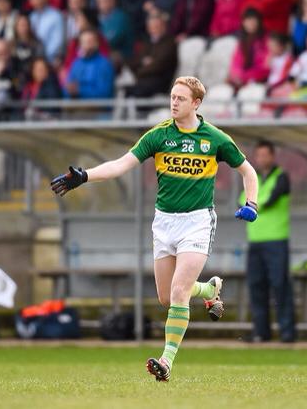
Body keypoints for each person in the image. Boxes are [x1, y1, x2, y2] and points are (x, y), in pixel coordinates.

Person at [51, 76, 259, 382]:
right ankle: (208, 289)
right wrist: (85, 176)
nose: (174, 102)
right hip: (164, 223)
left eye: (180, 98)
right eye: (172, 96)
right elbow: (120, 165)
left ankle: (166, 361)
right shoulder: (159, 135)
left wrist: (251, 203)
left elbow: (248, 171)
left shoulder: (215, 139)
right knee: (166, 297)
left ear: (196, 103)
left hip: (197, 222)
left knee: (178, 291)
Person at [240, 141, 295, 343]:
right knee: (256, 287)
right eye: (259, 155)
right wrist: (251, 205)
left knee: (280, 285)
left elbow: (270, 199)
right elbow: (241, 200)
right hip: (255, 241)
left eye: (265, 155)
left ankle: (287, 332)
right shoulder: (252, 178)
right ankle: (261, 332)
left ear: (272, 156)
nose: (261, 159)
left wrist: (253, 206)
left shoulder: (281, 177)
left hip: (276, 241)